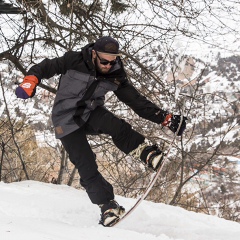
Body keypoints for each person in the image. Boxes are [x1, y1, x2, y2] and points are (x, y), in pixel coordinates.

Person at [15, 36, 187, 226]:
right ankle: (107, 206)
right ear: (94, 53)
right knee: (86, 164)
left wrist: (165, 118)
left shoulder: (115, 73)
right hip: (65, 120)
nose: (107, 65)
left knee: (115, 125)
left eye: (112, 61)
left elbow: (135, 101)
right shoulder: (74, 60)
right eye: (104, 61)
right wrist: (31, 80)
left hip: (89, 112)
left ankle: (145, 152)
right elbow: (46, 67)